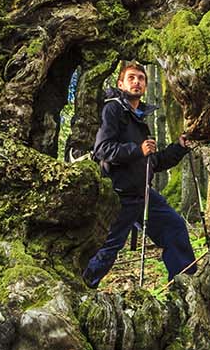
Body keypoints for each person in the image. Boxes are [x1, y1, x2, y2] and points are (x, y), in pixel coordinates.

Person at [81, 60, 197, 287]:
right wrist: (137, 149)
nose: (137, 82)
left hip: (142, 194)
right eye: (131, 78)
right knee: (108, 248)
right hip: (119, 194)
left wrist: (180, 147)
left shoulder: (138, 117)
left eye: (141, 78)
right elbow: (102, 149)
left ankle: (184, 285)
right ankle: (81, 287)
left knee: (174, 227)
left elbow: (152, 162)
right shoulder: (113, 109)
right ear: (121, 83)